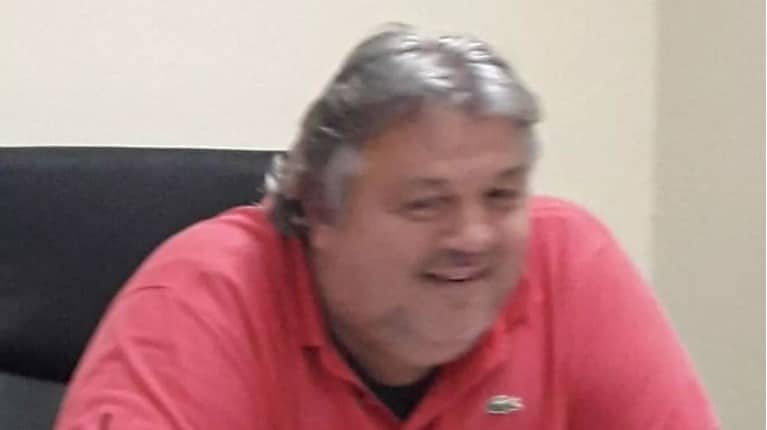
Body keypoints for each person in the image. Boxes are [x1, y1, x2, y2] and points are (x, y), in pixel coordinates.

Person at [55, 25, 719, 429]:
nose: (473, 236)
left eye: (500, 196)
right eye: (426, 203)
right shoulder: (202, 298)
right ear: (319, 210)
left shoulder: (569, 264)